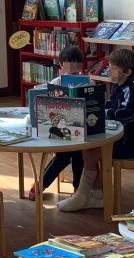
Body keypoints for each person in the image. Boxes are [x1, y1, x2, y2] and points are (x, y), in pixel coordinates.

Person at [58, 49, 134, 212]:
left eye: (113, 67)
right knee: (88, 149)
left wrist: (105, 113)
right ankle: (96, 196)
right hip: (118, 139)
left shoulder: (133, 92)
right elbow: (110, 106)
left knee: (91, 152)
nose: (108, 70)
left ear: (127, 72)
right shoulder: (116, 88)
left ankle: (83, 195)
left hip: (131, 144)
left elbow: (128, 115)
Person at [28, 46, 86, 200]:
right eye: (70, 69)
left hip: (81, 129)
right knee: (63, 157)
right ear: (61, 66)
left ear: (81, 66)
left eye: (77, 69)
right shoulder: (56, 82)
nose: (74, 72)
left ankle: (77, 188)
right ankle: (42, 184)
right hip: (61, 129)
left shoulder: (87, 81)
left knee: (79, 156)